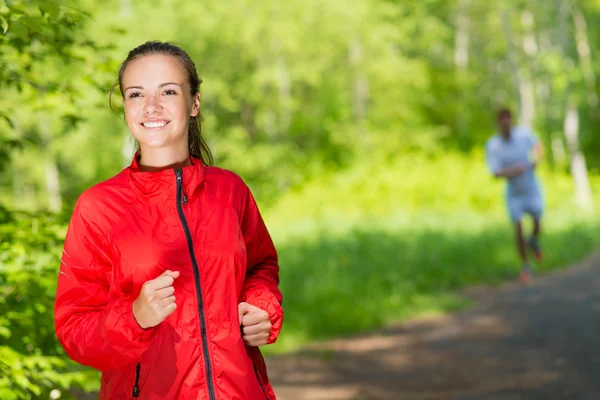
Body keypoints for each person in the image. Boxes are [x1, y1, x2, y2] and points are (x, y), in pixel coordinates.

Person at [54, 41, 283, 399]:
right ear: (125, 107)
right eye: (136, 94)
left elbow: (261, 266)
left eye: (168, 91)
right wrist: (135, 317)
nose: (151, 106)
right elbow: (73, 328)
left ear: (194, 103)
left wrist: (260, 306)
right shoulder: (98, 207)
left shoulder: (229, 191)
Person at [485, 108, 544, 284]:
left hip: (531, 188)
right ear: (498, 123)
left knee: (537, 221)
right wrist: (514, 171)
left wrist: (536, 160)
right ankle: (526, 266)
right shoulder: (493, 145)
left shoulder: (523, 135)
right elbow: (495, 173)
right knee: (517, 227)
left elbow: (538, 145)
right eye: (501, 119)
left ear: (511, 120)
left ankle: (533, 240)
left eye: (507, 118)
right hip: (514, 193)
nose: (505, 122)